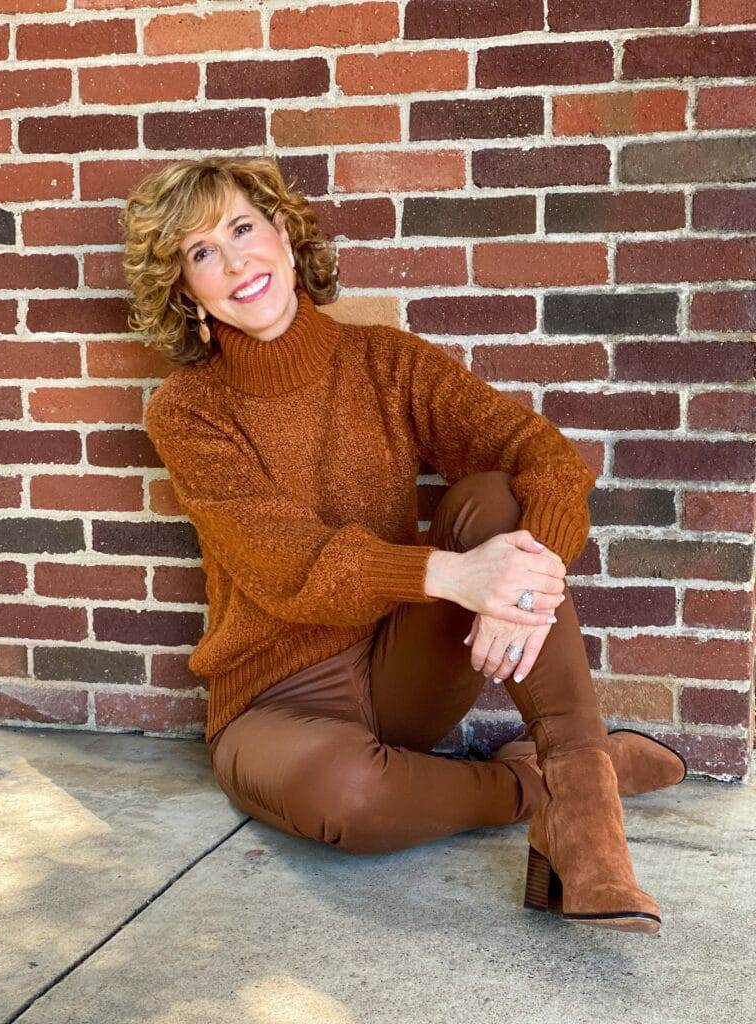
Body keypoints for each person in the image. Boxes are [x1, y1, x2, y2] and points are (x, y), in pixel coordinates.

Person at [120, 154, 686, 936]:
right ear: (187, 289)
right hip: (273, 704)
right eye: (203, 252)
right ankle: (540, 785)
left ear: (284, 235)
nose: (237, 260)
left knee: (499, 499)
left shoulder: (383, 361)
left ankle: (586, 812)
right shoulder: (187, 411)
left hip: (399, 668)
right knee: (347, 796)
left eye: (244, 228)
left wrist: (528, 580)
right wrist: (459, 576)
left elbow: (544, 456)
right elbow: (287, 563)